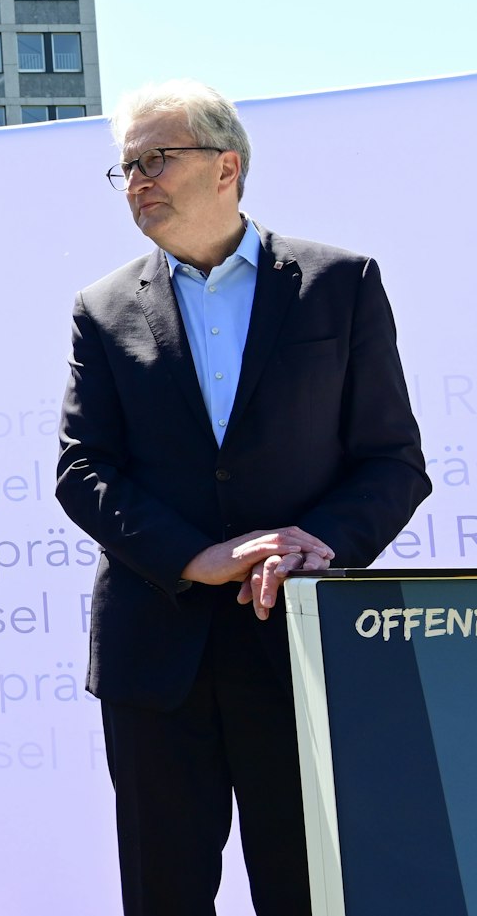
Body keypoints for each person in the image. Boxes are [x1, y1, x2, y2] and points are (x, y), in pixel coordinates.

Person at [55, 80, 430, 916]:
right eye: (126, 168)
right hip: (156, 655)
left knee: (308, 895)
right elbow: (82, 470)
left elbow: (394, 462)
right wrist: (197, 557)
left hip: (295, 645)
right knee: (164, 896)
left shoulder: (342, 284)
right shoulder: (103, 308)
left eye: (157, 158)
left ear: (227, 166)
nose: (138, 180)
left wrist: (317, 541)